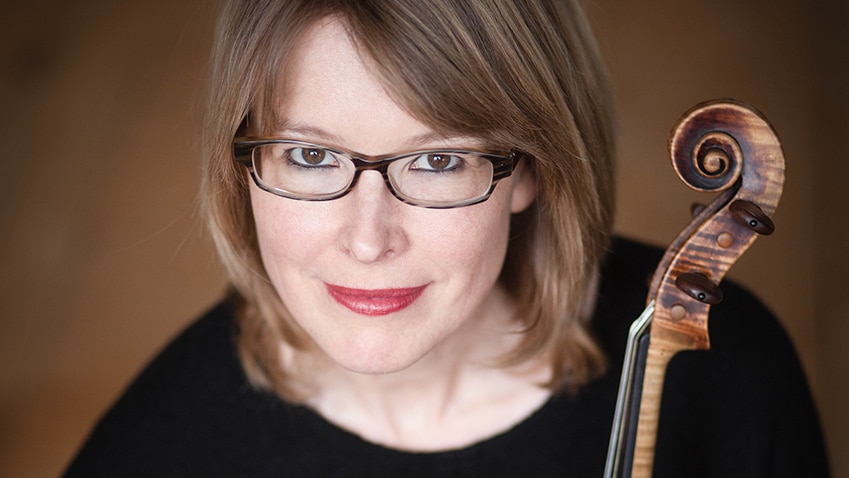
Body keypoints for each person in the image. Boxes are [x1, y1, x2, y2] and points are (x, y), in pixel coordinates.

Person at [64, 0, 829, 476]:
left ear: (532, 165)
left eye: (437, 160)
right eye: (308, 155)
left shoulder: (719, 369)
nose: (367, 241)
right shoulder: (169, 439)